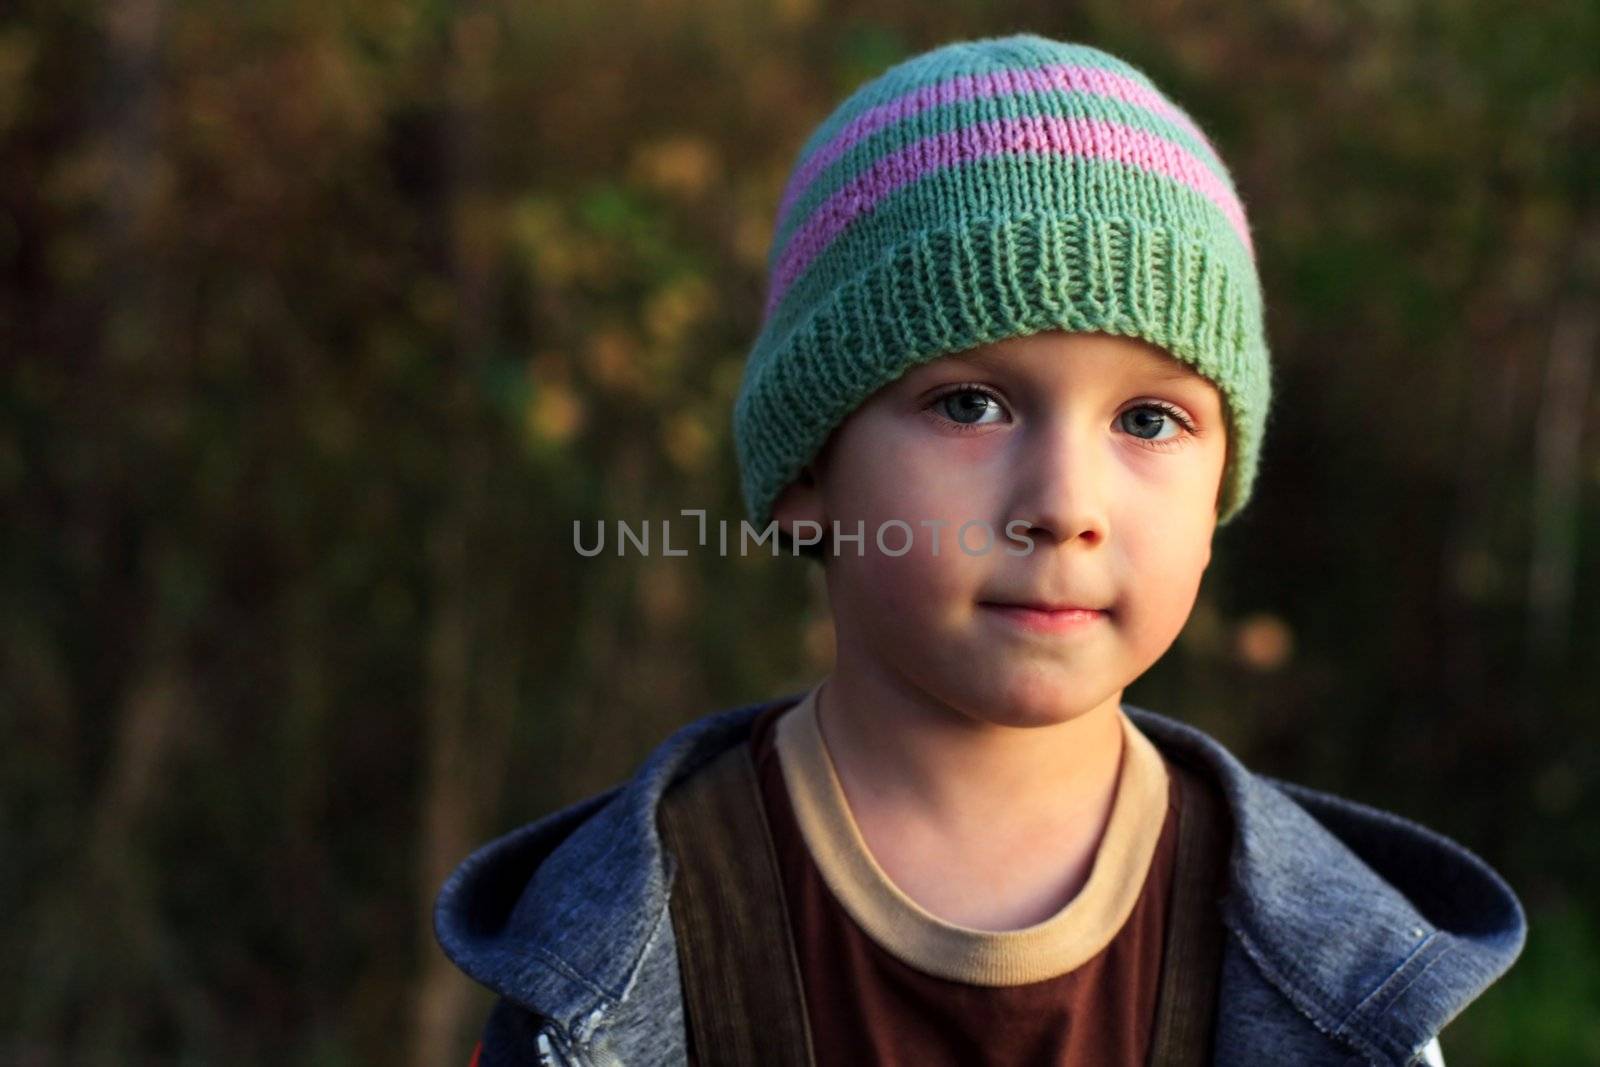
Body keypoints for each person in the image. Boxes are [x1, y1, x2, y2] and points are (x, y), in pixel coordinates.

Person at [433, 33, 1525, 1067]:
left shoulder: (1339, 980)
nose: (1063, 503)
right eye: (969, 403)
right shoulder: (618, 954)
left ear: (1219, 491)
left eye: (1148, 420)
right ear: (809, 469)